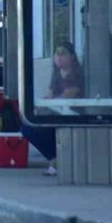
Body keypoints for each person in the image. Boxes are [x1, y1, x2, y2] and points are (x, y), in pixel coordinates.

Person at [21, 42, 85, 176]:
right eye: (57, 53)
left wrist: (48, 104)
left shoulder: (78, 73)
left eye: (63, 53)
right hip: (56, 111)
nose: (59, 57)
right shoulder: (56, 73)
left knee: (41, 127)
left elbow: (69, 95)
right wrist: (38, 106)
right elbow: (49, 95)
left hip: (73, 114)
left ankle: (56, 160)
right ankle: (54, 157)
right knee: (27, 127)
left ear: (72, 56)